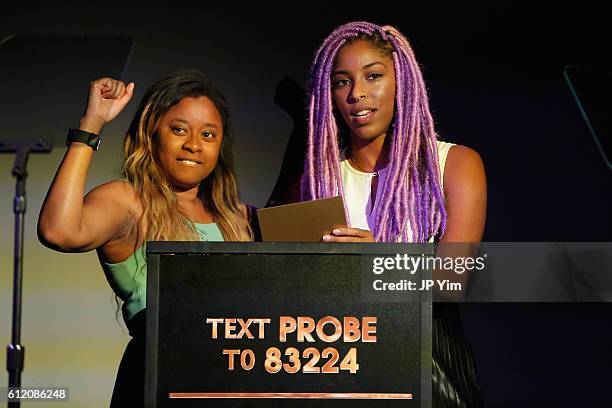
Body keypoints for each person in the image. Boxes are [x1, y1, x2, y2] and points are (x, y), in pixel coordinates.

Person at [37, 70, 253, 405]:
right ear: (151, 132)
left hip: (230, 381)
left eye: (208, 135)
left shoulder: (235, 216)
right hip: (158, 377)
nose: (194, 144)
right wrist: (91, 124)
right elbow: (58, 231)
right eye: (179, 129)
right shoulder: (128, 202)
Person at [301, 22, 487, 406]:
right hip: (340, 361)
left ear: (402, 81)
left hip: (428, 361)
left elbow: (454, 281)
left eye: (373, 76)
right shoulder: (320, 178)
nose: (357, 94)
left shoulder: (453, 163)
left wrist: (378, 260)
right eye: (341, 82)